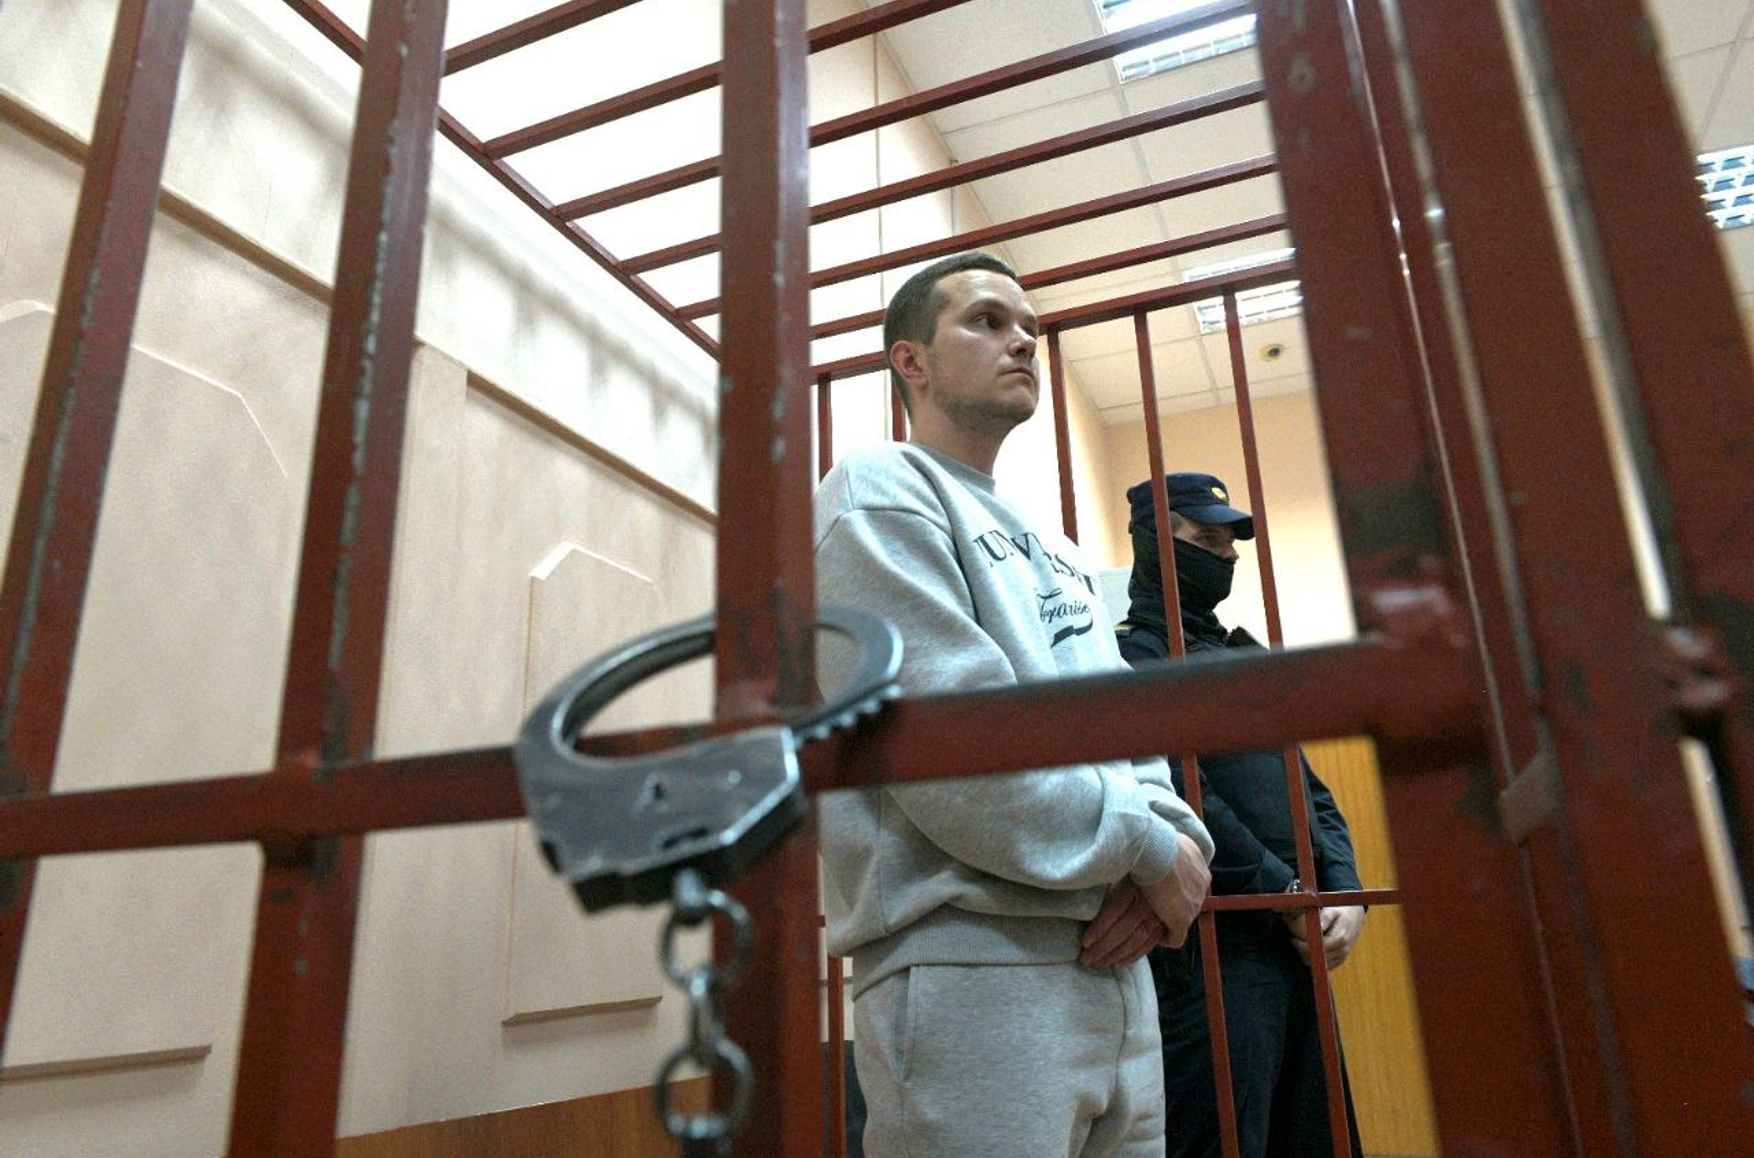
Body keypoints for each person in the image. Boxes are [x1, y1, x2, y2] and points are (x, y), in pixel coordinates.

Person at [814, 252, 1216, 1158]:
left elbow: (1130, 734)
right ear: (911, 361)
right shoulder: (877, 490)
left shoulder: (1058, 548)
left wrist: (1172, 849)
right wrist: (1151, 852)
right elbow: (951, 745)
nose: (1023, 342)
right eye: (987, 322)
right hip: (969, 959)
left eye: (1029, 328)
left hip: (1117, 963)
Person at [1115, 472, 1366, 1158]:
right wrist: (1286, 893)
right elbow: (1180, 790)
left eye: (1231, 544)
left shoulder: (1241, 655)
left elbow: (1309, 787)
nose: (1227, 556)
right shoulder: (1130, 658)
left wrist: (1342, 891)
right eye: (1205, 540)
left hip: (1295, 945)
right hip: (1213, 953)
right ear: (1153, 542)